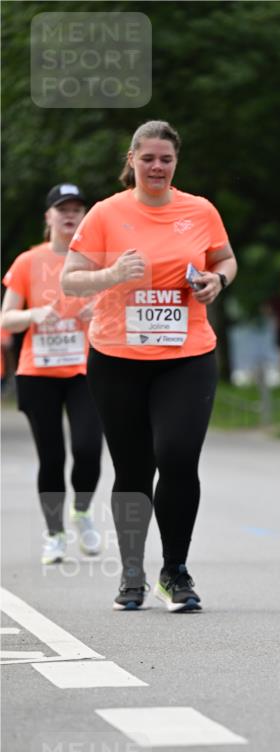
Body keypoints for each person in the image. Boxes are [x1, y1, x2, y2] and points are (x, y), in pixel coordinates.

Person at [61, 120, 237, 611]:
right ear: (132, 160)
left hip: (187, 355)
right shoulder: (105, 214)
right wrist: (113, 273)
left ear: (175, 163)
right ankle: (133, 572)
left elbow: (226, 260)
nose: (157, 167)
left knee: (178, 455)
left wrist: (215, 282)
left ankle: (175, 572)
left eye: (166, 159)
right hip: (117, 357)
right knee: (134, 467)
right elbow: (70, 281)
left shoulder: (199, 210)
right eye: (148, 158)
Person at [1, 184, 103, 565]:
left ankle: (82, 511)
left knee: (89, 449)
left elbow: (116, 303)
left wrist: (97, 312)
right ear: (48, 217)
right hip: (38, 371)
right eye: (62, 209)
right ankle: (54, 532)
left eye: (77, 208)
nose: (70, 215)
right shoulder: (29, 261)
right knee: (51, 456)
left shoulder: (94, 260)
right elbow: (5, 316)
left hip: (85, 369)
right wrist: (32, 316)